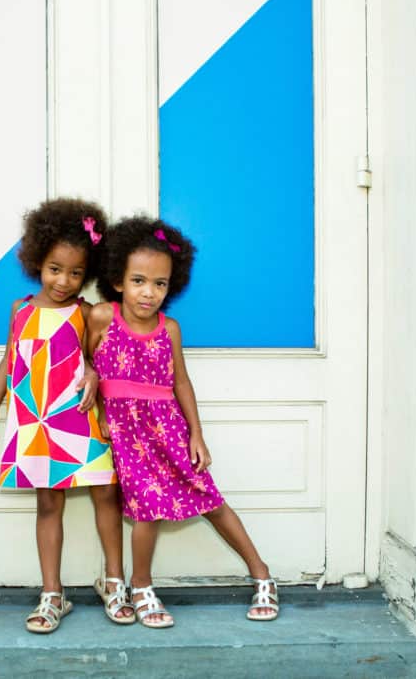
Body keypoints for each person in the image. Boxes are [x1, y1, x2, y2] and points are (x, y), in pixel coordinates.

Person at [87, 215, 279, 628]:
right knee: (147, 510)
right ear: (118, 280)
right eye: (138, 280)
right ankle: (141, 585)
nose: (149, 292)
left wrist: (197, 434)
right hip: (125, 434)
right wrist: (92, 378)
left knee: (211, 499)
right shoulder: (102, 317)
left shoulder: (169, 328)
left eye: (160, 284)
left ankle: (262, 573)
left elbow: (182, 383)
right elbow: (85, 361)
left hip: (168, 428)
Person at [0, 198, 135, 633]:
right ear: (37, 262)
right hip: (36, 421)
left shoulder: (86, 313)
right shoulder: (20, 310)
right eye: (55, 269)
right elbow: (10, 361)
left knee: (107, 494)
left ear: (90, 272)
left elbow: (98, 360)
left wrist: (93, 373)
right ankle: (52, 594)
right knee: (49, 503)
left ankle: (114, 581)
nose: (64, 281)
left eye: (76, 273)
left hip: (81, 418)